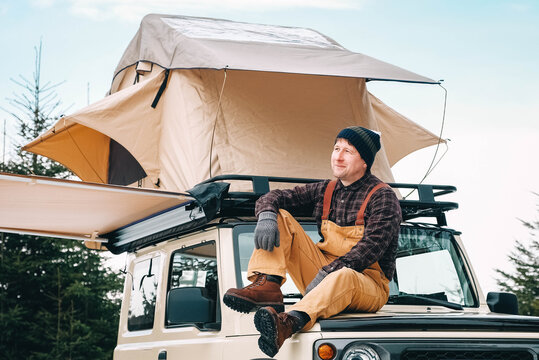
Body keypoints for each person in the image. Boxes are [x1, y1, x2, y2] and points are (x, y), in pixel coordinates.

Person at [223, 126, 402, 357]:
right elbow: (273, 196)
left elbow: (371, 248)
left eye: (348, 151)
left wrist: (330, 271)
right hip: (323, 275)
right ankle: (267, 285)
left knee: (345, 274)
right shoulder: (325, 190)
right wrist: (266, 214)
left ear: (364, 161)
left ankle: (288, 322)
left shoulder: (383, 196)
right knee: (280, 215)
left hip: (368, 283)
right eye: (336, 148)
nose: (338, 156)